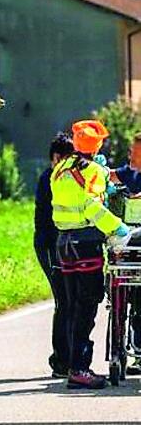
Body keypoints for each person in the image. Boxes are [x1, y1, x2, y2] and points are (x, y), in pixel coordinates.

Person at [51, 119, 132, 389]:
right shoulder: (93, 171)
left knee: (73, 307)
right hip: (85, 244)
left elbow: (71, 200)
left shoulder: (60, 168)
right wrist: (119, 229)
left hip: (64, 243)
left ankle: (74, 365)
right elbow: (91, 207)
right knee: (87, 307)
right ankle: (80, 368)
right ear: (98, 145)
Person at [34, 131, 74, 378]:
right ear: (57, 157)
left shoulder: (62, 178)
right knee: (63, 301)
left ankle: (68, 357)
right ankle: (60, 360)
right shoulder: (49, 178)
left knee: (70, 302)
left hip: (64, 246)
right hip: (49, 246)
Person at [108, 132, 141, 374]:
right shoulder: (129, 173)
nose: (131, 154)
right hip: (130, 246)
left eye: (136, 150)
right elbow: (110, 176)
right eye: (132, 149)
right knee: (126, 296)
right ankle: (129, 349)